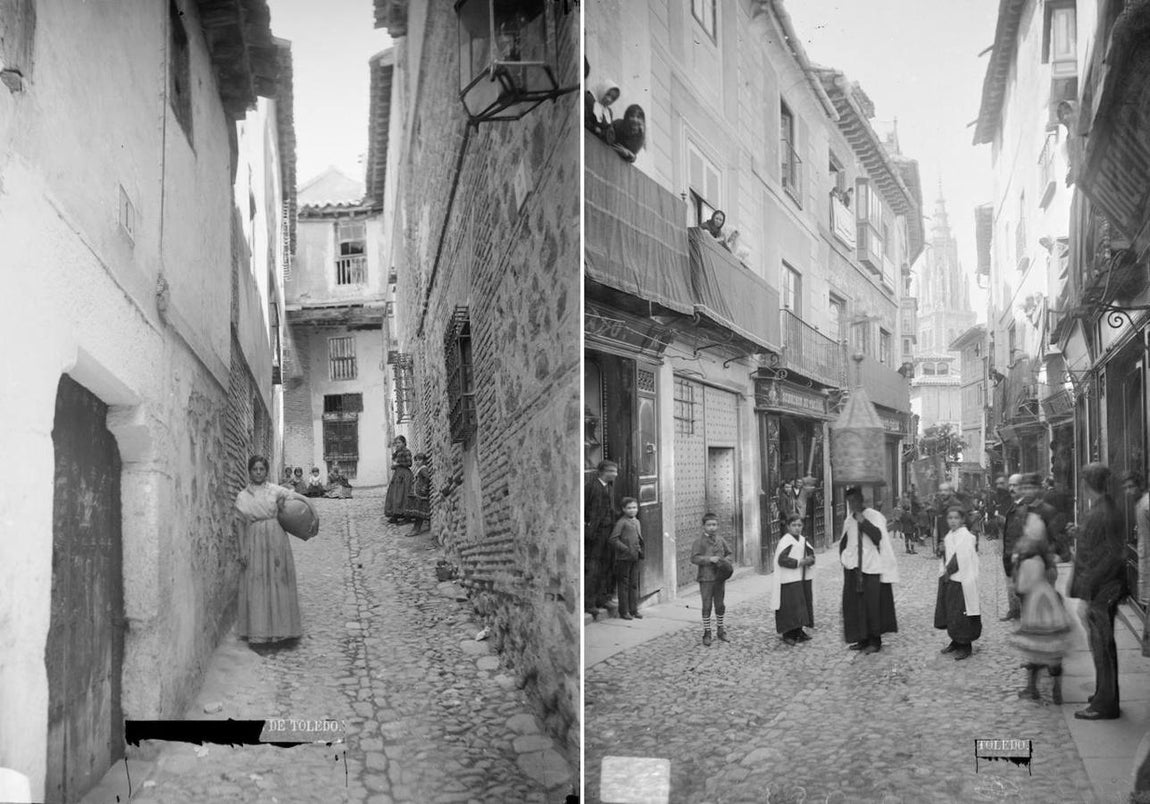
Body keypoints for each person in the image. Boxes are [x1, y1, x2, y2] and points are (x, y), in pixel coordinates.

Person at [1071, 463, 1127, 721]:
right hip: (1103, 588)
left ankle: (1105, 704)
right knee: (1103, 645)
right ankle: (1104, 694)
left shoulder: (1102, 512)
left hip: (1102, 590)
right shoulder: (1105, 508)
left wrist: (1089, 590)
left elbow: (1111, 555)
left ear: (1086, 484)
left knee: (1102, 646)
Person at [233, 455, 305, 647]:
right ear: (249, 471)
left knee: (278, 581)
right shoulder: (243, 496)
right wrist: (242, 549)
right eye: (255, 469)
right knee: (258, 584)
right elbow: (240, 525)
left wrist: (285, 505)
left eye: (262, 469)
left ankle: (283, 631)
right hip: (255, 541)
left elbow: (294, 496)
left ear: (266, 471)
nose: (258, 472)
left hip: (276, 539)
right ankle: (259, 633)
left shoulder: (275, 490)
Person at [1009, 514, 1072, 704]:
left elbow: (1021, 587)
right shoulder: (1046, 556)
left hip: (1035, 605)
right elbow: (1053, 576)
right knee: (1053, 648)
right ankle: (1057, 688)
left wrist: (1016, 568)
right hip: (1051, 602)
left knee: (1034, 648)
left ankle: (1032, 687)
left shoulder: (1027, 560)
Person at [839, 487, 899, 654]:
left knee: (872, 605)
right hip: (854, 568)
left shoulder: (874, 515)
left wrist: (863, 522)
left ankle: (875, 640)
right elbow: (844, 542)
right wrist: (845, 559)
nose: (852, 505)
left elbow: (878, 537)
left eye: (855, 501)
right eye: (850, 502)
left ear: (861, 500)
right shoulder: (848, 520)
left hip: (871, 567)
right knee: (855, 605)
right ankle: (862, 638)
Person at [933, 506, 982, 660]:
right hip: (951, 579)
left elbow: (961, 557)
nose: (953, 521)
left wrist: (948, 571)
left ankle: (965, 644)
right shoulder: (950, 535)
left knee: (962, 611)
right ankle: (955, 640)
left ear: (962, 520)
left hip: (962, 579)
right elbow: (948, 554)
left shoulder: (965, 535)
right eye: (950, 518)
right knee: (952, 610)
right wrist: (942, 550)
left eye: (956, 518)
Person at [771, 515, 815, 646]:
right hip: (789, 579)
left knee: (801, 605)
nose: (797, 528)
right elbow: (782, 560)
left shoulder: (803, 540)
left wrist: (810, 560)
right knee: (789, 606)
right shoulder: (786, 541)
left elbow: (811, 554)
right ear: (788, 527)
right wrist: (799, 562)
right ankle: (788, 633)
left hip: (801, 578)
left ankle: (799, 630)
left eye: (799, 525)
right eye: (794, 525)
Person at [691, 512, 733, 646]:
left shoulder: (720, 540)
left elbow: (729, 553)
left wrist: (725, 561)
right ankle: (707, 632)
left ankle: (721, 630)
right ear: (703, 526)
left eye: (714, 525)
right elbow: (694, 558)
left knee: (720, 605)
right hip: (706, 578)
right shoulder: (699, 541)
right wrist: (709, 559)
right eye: (709, 525)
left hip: (719, 578)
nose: (712, 527)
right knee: (707, 605)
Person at [585, 461, 619, 615]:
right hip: (595, 534)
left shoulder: (610, 487)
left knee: (607, 565)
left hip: (608, 531)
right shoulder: (591, 487)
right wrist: (589, 528)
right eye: (612, 471)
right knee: (594, 567)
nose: (615, 474)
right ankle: (589, 603)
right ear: (602, 472)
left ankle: (603, 599)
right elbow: (584, 509)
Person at [609, 497, 644, 621]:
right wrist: (625, 549)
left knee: (634, 584)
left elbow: (638, 538)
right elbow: (613, 539)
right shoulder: (621, 522)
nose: (632, 510)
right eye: (629, 508)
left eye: (634, 507)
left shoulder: (637, 522)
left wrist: (639, 549)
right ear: (623, 509)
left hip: (635, 557)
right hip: (624, 558)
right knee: (624, 584)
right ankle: (624, 611)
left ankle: (634, 609)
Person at [1123, 471, 1150, 611]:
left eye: (1131, 487)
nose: (1128, 491)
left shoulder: (1146, 504)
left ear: (1140, 486)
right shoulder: (1139, 504)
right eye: (1126, 488)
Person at [384, 436, 413, 523]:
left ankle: (406, 516)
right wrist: (395, 466)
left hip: (404, 475)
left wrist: (398, 465)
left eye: (399, 442)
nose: (397, 444)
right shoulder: (397, 452)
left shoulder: (406, 451)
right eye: (396, 443)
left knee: (403, 494)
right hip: (398, 474)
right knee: (395, 494)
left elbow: (409, 463)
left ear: (404, 443)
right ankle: (395, 515)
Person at [406, 454, 433, 536]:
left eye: (420, 460)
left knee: (419, 512)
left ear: (424, 461)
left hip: (420, 494)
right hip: (417, 493)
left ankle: (416, 529)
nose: (417, 462)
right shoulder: (420, 469)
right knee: (418, 511)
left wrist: (424, 488)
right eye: (416, 460)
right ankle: (416, 528)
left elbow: (427, 478)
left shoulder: (423, 469)